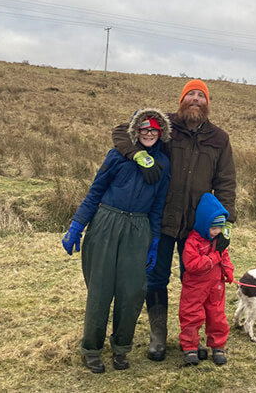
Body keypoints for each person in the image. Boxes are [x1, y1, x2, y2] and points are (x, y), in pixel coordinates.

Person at [112, 79, 236, 361]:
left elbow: (226, 183)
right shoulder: (164, 125)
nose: (195, 99)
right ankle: (158, 336)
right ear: (182, 100)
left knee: (196, 282)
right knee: (156, 277)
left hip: (199, 228)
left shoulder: (219, 139)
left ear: (207, 103)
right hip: (161, 221)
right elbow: (121, 131)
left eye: (201, 95)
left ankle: (190, 338)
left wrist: (227, 223)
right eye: (190, 94)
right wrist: (138, 155)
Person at [62, 108, 171, 374]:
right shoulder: (117, 156)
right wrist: (77, 225)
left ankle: (121, 349)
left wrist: (154, 240)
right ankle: (91, 349)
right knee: (100, 290)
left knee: (131, 292)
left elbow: (158, 205)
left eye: (154, 130)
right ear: (136, 130)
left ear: (161, 133)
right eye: (144, 129)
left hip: (139, 228)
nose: (148, 133)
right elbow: (95, 191)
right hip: (106, 223)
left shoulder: (163, 164)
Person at [179, 192, 234, 366]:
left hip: (215, 286)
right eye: (213, 228)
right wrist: (214, 257)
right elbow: (192, 264)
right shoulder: (192, 242)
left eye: (219, 228)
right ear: (203, 224)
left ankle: (218, 346)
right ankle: (190, 346)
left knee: (217, 316)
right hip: (195, 287)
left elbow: (225, 256)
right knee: (191, 315)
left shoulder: (219, 241)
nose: (217, 232)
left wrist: (228, 270)